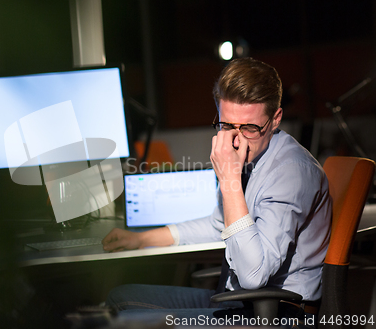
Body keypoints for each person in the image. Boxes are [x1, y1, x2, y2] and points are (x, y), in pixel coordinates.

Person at [101, 57, 331, 327]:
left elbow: (253, 276)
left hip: (276, 311)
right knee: (120, 298)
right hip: (238, 299)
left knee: (126, 322)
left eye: (249, 128)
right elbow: (219, 225)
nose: (235, 140)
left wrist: (229, 179)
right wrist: (142, 239)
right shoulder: (253, 157)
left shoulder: (290, 173)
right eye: (226, 126)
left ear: (276, 119)